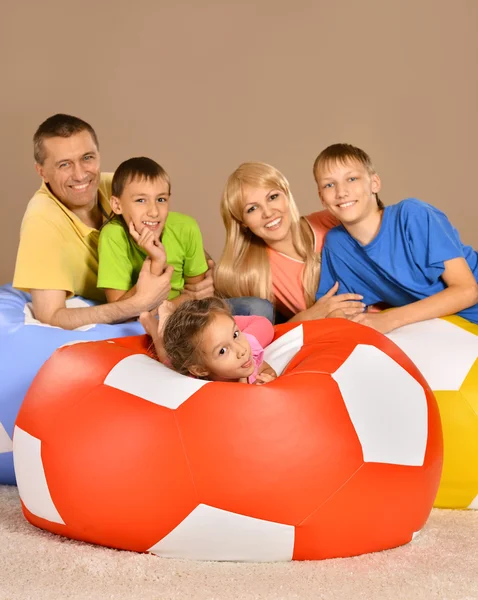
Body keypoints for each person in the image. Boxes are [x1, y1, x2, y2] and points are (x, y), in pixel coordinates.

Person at [12, 114, 175, 329]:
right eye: (64, 165)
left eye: (87, 158)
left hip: (171, 298)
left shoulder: (117, 187)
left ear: (98, 155)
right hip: (138, 307)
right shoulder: (41, 221)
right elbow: (50, 316)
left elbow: (171, 231)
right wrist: (137, 304)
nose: (80, 175)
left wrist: (201, 275)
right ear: (42, 172)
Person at [313, 143, 478, 333]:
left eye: (351, 178)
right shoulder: (338, 245)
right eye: (329, 185)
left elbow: (468, 291)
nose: (341, 192)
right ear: (321, 197)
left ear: (374, 183)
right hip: (444, 330)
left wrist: (388, 320)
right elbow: (339, 311)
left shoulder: (412, 215)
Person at [214, 161, 365, 322]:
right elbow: (261, 339)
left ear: (286, 194)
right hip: (345, 337)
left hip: (389, 320)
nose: (268, 212)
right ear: (242, 222)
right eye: (252, 209)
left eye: (273, 197)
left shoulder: (332, 220)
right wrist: (309, 316)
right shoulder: (250, 274)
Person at [97, 157, 208, 310]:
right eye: (141, 200)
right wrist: (156, 261)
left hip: (183, 316)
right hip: (143, 318)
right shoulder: (113, 235)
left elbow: (198, 296)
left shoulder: (186, 228)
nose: (154, 212)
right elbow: (118, 310)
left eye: (161, 199)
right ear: (117, 205)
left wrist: (181, 302)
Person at [141, 297, 278, 384]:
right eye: (222, 351)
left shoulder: (249, 356)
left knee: (263, 325)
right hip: (191, 360)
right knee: (169, 361)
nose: (241, 351)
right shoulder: (193, 380)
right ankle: (157, 328)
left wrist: (268, 379)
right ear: (201, 370)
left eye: (236, 334)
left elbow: (267, 369)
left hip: (226, 330)